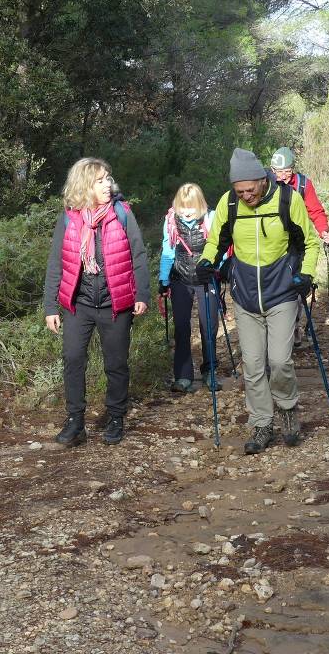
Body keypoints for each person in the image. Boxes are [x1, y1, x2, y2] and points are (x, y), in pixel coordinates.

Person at [197, 148, 319, 454]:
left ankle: (288, 410)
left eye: (249, 190)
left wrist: (305, 275)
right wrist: (205, 262)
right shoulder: (230, 203)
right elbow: (217, 241)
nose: (245, 196)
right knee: (252, 365)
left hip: (282, 292)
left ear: (262, 181)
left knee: (279, 361)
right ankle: (262, 423)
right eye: (239, 191)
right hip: (245, 293)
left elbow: (310, 241)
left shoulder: (287, 200)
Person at [43, 158, 150, 447]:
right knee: (73, 359)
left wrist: (142, 294)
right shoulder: (69, 217)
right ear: (84, 185)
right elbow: (56, 262)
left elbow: (138, 255)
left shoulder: (122, 212)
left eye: (108, 179)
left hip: (116, 302)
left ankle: (116, 418)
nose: (108, 185)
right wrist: (50, 306)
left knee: (116, 364)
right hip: (79, 304)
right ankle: (75, 421)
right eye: (100, 181)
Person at [158, 183, 221, 394]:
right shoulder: (171, 221)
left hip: (205, 279)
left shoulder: (211, 219)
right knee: (182, 327)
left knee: (209, 326)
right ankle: (183, 375)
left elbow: (220, 247)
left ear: (200, 205)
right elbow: (167, 252)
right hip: (180, 279)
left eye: (191, 207)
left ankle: (210, 371)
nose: (186, 212)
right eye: (182, 207)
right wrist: (163, 280)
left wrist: (217, 268)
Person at [270, 146, 329, 346]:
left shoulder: (303, 184)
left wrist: (323, 230)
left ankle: (292, 328)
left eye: (287, 171)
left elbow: (315, 211)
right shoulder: (266, 185)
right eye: (279, 172)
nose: (284, 177)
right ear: (272, 170)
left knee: (296, 287)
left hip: (298, 244)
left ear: (293, 169)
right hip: (274, 243)